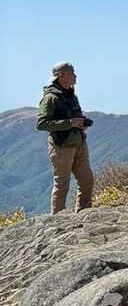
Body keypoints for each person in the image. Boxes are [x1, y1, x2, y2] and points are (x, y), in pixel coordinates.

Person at [36, 61, 94, 214]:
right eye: (72, 73)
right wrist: (70, 123)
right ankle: (57, 220)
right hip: (61, 147)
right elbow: (41, 124)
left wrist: (82, 123)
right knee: (62, 185)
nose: (75, 76)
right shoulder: (51, 98)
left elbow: (73, 118)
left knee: (87, 181)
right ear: (62, 76)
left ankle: (84, 214)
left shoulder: (71, 95)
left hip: (79, 144)